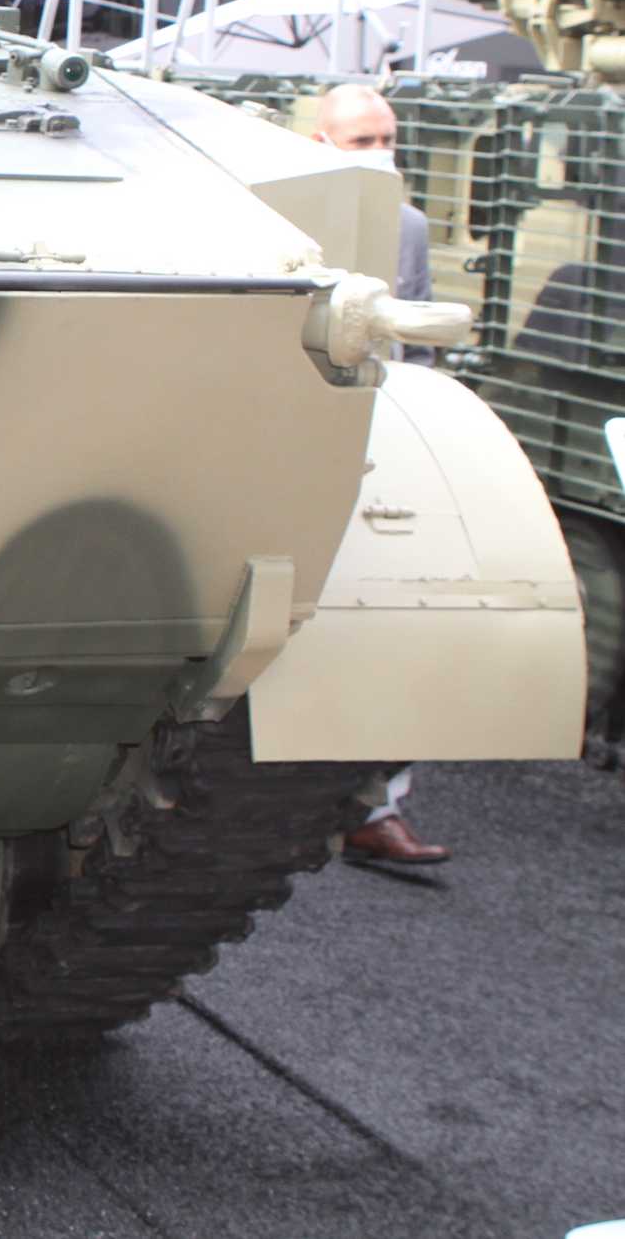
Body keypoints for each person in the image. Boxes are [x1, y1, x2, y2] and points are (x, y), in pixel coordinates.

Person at [311, 81, 450, 864]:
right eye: (361, 140)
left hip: (378, 425)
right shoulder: (276, 214)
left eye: (387, 138)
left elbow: (416, 340)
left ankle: (379, 799)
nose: (380, 153)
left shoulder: (407, 224)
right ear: (322, 142)